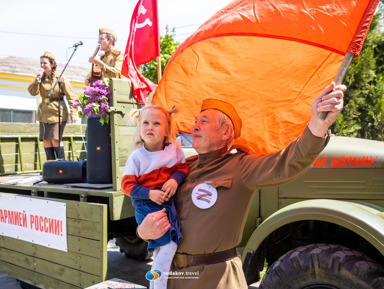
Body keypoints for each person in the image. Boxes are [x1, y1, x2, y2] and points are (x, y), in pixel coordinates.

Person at [136, 82, 346, 289]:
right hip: (170, 276)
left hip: (215, 279)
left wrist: (319, 124)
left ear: (226, 132)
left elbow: (289, 162)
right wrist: (142, 232)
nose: (195, 126)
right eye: (196, 121)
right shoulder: (181, 168)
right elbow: (151, 210)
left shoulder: (241, 166)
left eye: (204, 121)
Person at [121, 105, 189, 289]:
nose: (150, 127)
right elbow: (126, 186)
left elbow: (182, 168)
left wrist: (175, 180)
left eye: (156, 123)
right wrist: (149, 193)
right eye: (145, 123)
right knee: (168, 246)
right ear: (139, 128)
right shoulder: (137, 157)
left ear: (166, 129)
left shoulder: (174, 151)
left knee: (162, 250)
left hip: (166, 205)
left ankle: (155, 284)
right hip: (146, 207)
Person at [28, 51, 78, 160]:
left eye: (45, 63)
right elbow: (32, 92)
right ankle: (50, 165)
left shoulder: (61, 78)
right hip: (44, 113)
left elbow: (71, 97)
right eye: (41, 63)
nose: (42, 65)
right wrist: (37, 79)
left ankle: (61, 165)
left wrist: (73, 112)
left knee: (55, 139)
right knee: (46, 140)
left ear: (52, 64)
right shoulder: (40, 78)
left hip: (57, 112)